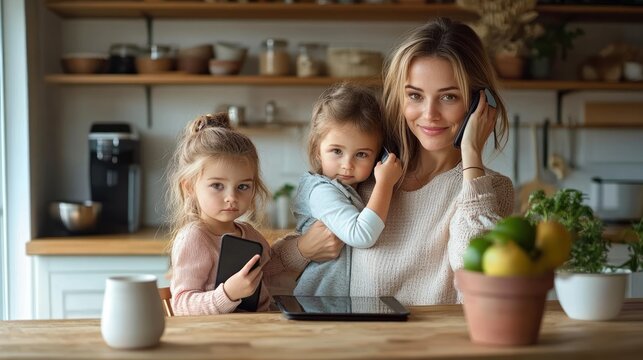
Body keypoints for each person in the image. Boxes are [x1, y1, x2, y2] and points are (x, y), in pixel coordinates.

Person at [272, 17, 514, 305]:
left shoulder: (488, 191)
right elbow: (268, 271)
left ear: (479, 103)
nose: (429, 114)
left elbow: (482, 285)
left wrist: (472, 153)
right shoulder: (366, 171)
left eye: (448, 97)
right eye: (415, 95)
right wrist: (302, 249)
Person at [166, 112, 284, 315]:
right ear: (190, 188)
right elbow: (181, 305)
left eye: (243, 187)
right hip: (215, 339)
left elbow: (270, 271)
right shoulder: (195, 238)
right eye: (217, 186)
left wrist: (302, 248)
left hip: (254, 332)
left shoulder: (250, 234)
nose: (231, 197)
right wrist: (228, 294)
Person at [292, 83, 403, 296]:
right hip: (318, 304)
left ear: (379, 156)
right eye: (336, 151)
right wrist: (385, 184)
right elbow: (361, 235)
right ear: (317, 151)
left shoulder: (348, 188)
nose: (347, 164)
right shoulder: (320, 192)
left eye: (362, 154)